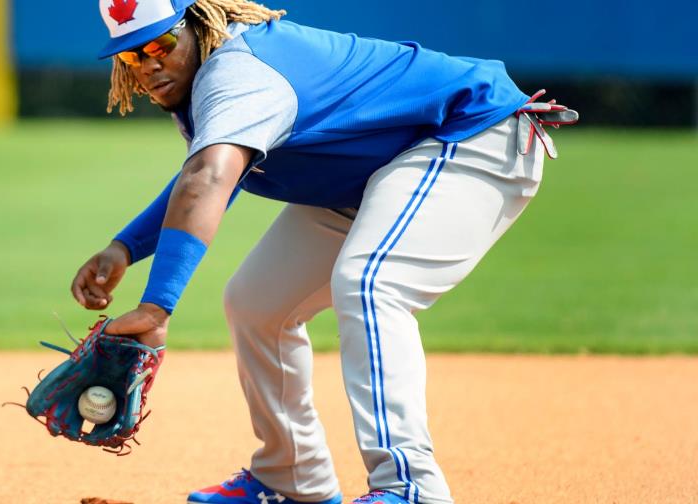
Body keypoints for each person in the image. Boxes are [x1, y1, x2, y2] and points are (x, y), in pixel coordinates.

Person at [70, 1, 575, 503]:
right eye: (134, 56)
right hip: (377, 171)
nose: (150, 63)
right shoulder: (212, 82)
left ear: (200, 25)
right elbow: (206, 172)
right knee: (256, 303)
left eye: (161, 43)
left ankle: (411, 489)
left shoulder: (239, 71)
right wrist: (125, 247)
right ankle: (292, 478)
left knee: (370, 283)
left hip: (469, 133)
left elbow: (209, 177)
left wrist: (157, 306)